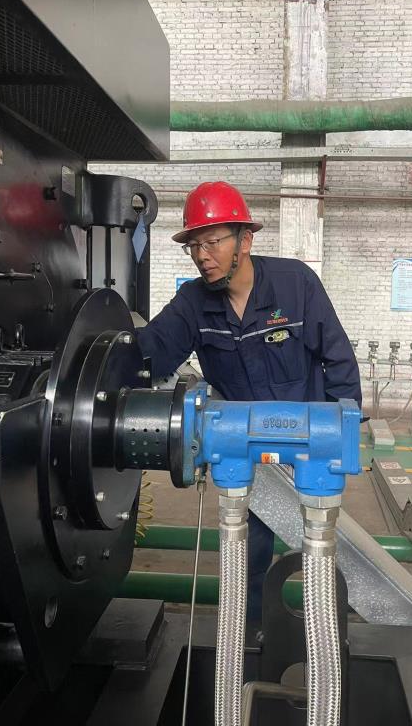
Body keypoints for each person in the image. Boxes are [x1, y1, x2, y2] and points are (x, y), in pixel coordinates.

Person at [137, 181, 362, 623]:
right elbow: (150, 353)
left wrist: (344, 434)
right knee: (246, 555)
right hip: (245, 453)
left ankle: (325, 633)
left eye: (212, 242)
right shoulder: (193, 303)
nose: (202, 255)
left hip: (306, 447)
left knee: (320, 552)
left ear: (245, 239)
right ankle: (250, 636)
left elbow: (337, 357)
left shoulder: (295, 285)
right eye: (194, 246)